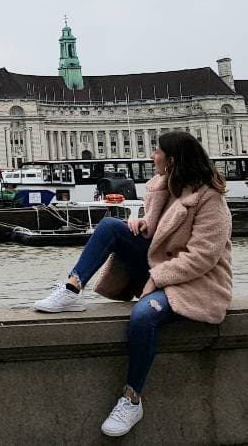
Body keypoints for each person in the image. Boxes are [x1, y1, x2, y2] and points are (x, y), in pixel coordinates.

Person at [32, 131, 232, 437]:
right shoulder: (162, 187)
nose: (152, 155)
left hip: (195, 282)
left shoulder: (210, 199)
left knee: (143, 316)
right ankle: (72, 289)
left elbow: (202, 258)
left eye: (157, 151)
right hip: (160, 268)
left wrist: (156, 279)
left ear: (173, 159)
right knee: (111, 226)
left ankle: (131, 398)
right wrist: (142, 224)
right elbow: (159, 231)